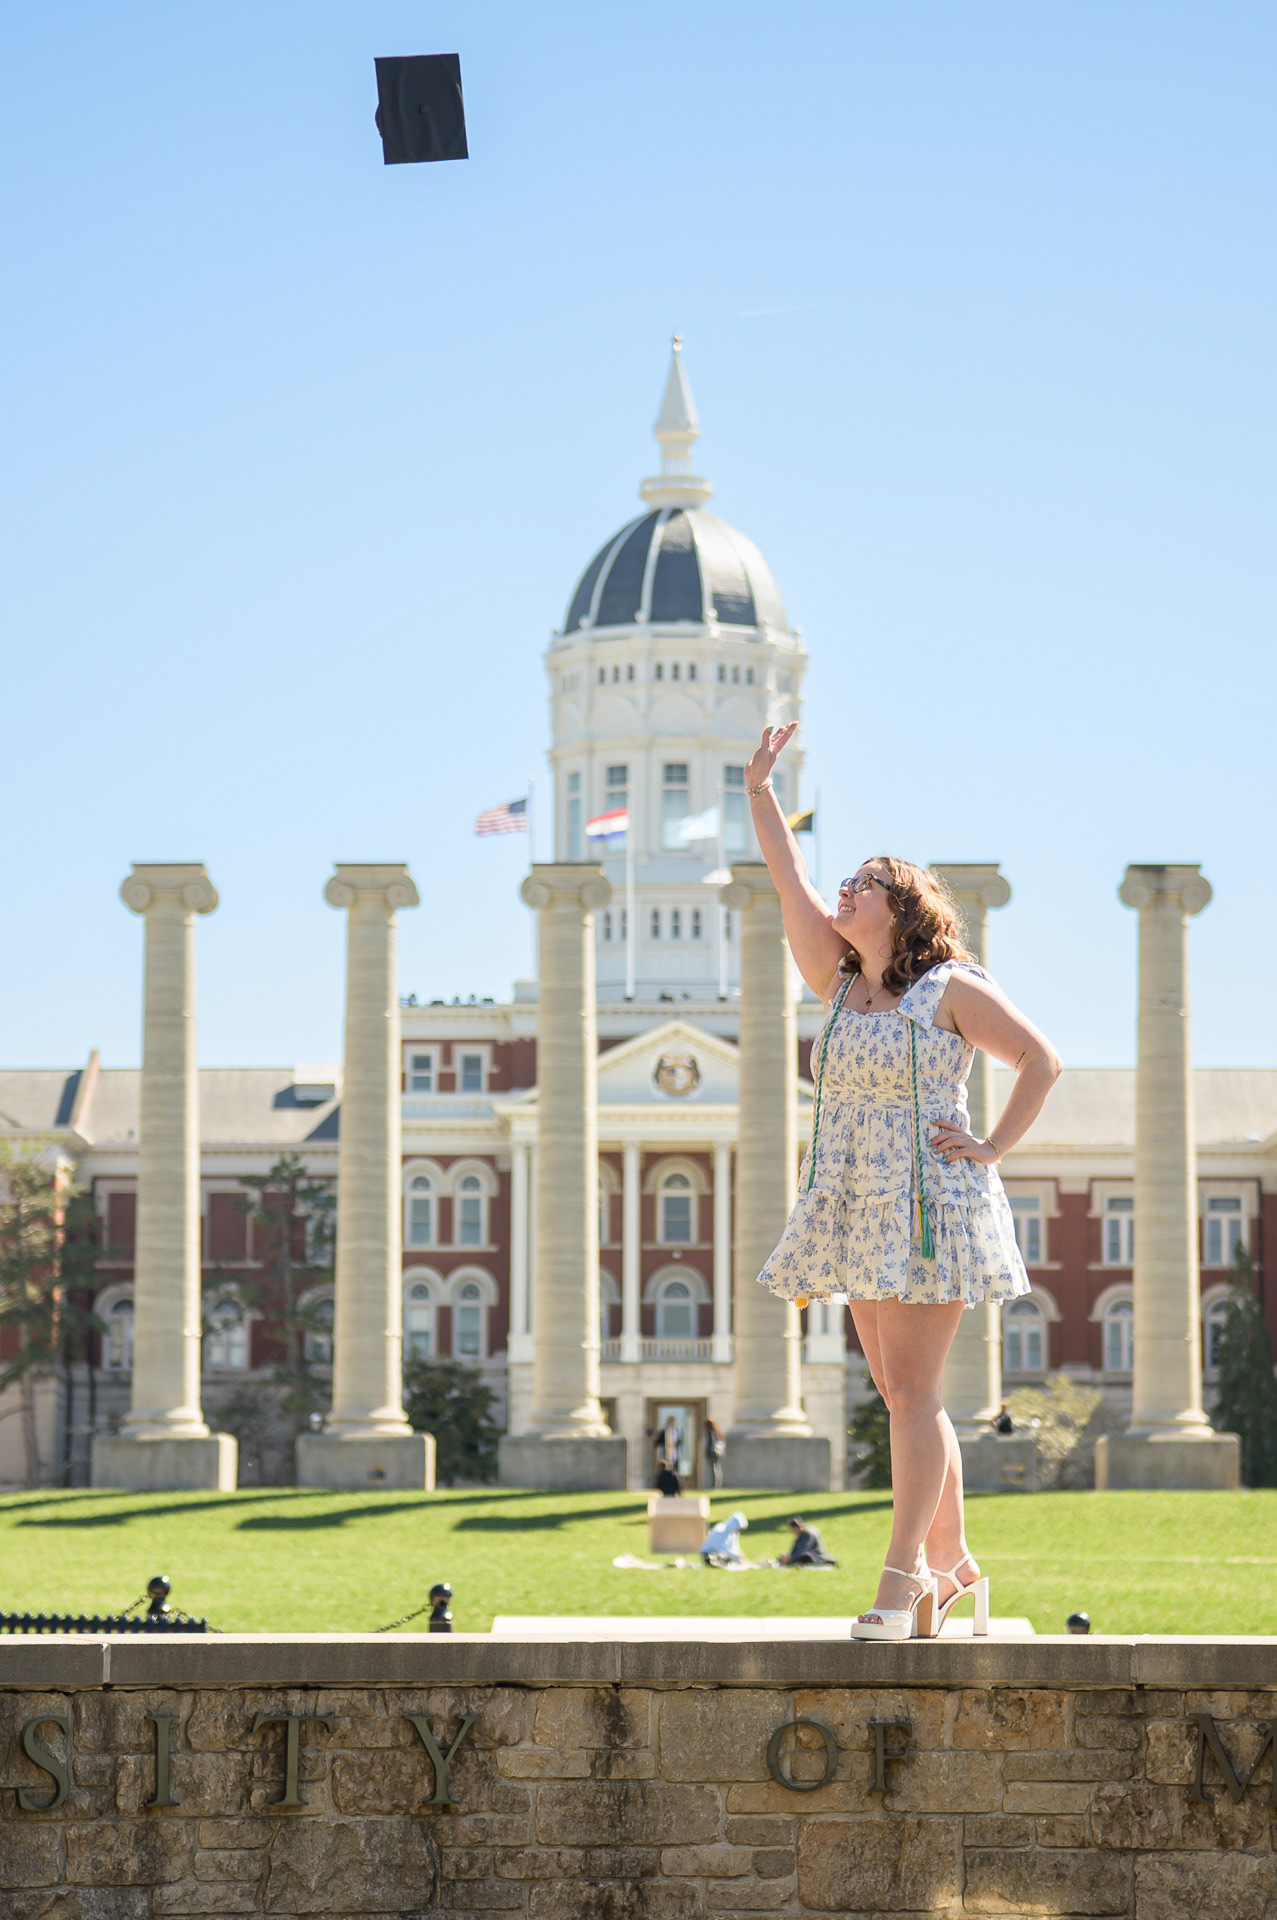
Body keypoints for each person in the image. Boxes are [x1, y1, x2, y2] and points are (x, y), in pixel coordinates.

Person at [743, 724, 1061, 1642]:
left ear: (903, 906)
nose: (841, 891)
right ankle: (951, 1568)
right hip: (852, 1198)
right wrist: (758, 790)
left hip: (927, 1202)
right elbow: (786, 878)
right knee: (898, 1395)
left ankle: (900, 1577)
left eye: (862, 883)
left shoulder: (950, 986)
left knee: (912, 1394)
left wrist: (991, 1145)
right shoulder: (836, 980)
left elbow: (1040, 1058)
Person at [704, 1416, 725, 1489]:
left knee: (714, 1469)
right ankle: (716, 1484)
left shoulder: (713, 1433)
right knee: (716, 1468)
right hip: (716, 1452)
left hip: (713, 1452)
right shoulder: (716, 1433)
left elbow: (711, 1444)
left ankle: (715, 1485)